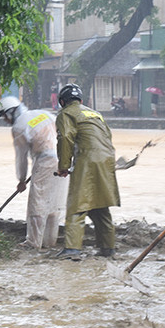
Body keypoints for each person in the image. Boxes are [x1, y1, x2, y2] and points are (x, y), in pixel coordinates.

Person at [55, 83, 120, 260]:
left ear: (62, 102)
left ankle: (72, 249)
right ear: (81, 100)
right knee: (100, 205)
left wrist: (63, 166)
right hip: (107, 159)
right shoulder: (96, 114)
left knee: (77, 204)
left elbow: (65, 138)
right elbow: (107, 136)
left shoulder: (66, 113)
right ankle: (108, 248)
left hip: (88, 159)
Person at [0, 95, 67, 250]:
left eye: (5, 117)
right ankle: (49, 242)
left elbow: (21, 157)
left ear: (10, 113)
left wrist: (21, 179)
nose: (5, 121)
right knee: (54, 202)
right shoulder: (44, 113)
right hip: (64, 160)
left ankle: (33, 243)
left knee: (38, 203)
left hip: (45, 161)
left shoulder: (18, 127)